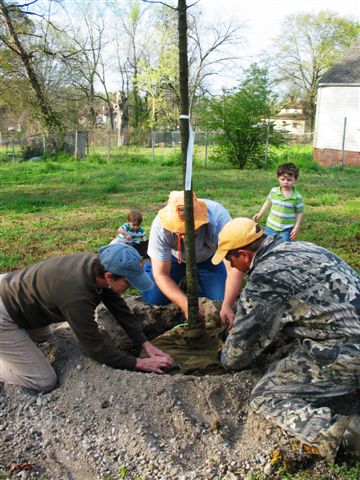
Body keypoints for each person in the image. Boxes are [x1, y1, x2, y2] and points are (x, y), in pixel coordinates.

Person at [212, 217, 360, 461]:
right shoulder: (303, 247)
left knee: (266, 396)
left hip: (350, 352)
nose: (231, 265)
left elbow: (237, 355)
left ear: (244, 255)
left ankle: (345, 436)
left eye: (229, 259)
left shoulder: (264, 280)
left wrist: (224, 354)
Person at [0, 243, 174, 392]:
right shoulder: (77, 297)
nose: (131, 287)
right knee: (43, 381)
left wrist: (145, 343)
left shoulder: (97, 264)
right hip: (4, 314)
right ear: (109, 277)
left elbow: (118, 307)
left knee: (43, 336)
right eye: (129, 283)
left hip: (16, 297)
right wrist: (141, 363)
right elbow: (95, 348)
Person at [142, 191, 243, 329]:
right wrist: (184, 303)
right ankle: (149, 269)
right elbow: (161, 274)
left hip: (209, 259)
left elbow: (234, 267)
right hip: (174, 259)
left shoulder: (218, 217)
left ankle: (196, 281)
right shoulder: (160, 225)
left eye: (189, 230)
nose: (184, 235)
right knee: (156, 299)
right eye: (179, 231)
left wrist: (227, 305)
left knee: (220, 298)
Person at [253, 162, 304, 241]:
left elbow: (299, 212)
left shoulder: (297, 197)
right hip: (270, 226)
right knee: (265, 244)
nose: (285, 182)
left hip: (286, 229)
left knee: (283, 248)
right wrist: (260, 214)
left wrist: (296, 227)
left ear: (295, 180)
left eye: (289, 180)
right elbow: (268, 203)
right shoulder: (274, 191)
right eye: (282, 179)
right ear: (278, 178)